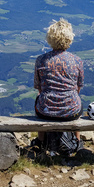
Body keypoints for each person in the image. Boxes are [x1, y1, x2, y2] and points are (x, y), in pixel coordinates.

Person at [33, 19, 83, 153]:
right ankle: (77, 141)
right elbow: (78, 88)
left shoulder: (41, 60)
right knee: (76, 99)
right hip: (71, 112)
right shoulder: (77, 60)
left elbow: (39, 88)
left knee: (40, 99)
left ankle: (41, 141)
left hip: (46, 111)